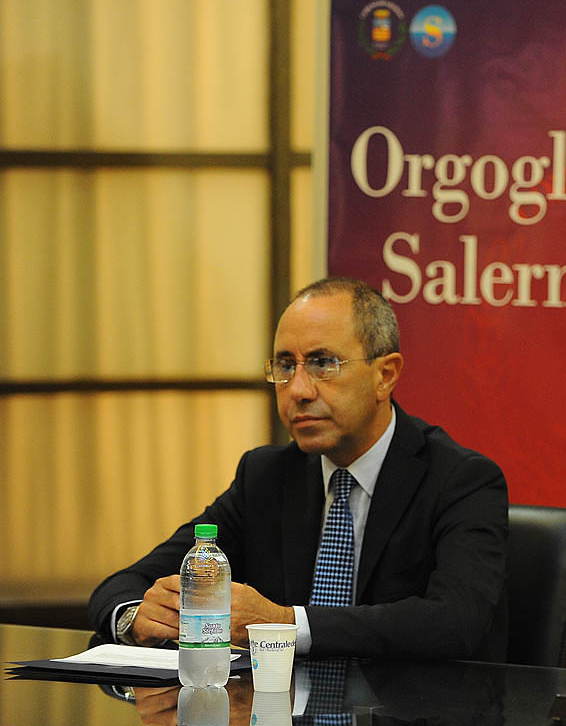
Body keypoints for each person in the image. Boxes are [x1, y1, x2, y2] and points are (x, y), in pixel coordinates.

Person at [88, 277, 509, 660]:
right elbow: (126, 583)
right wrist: (135, 618)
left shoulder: (461, 481)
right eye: (286, 366)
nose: (299, 390)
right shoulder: (266, 476)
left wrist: (285, 624)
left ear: (385, 375)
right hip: (283, 724)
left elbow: (456, 622)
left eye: (324, 363)